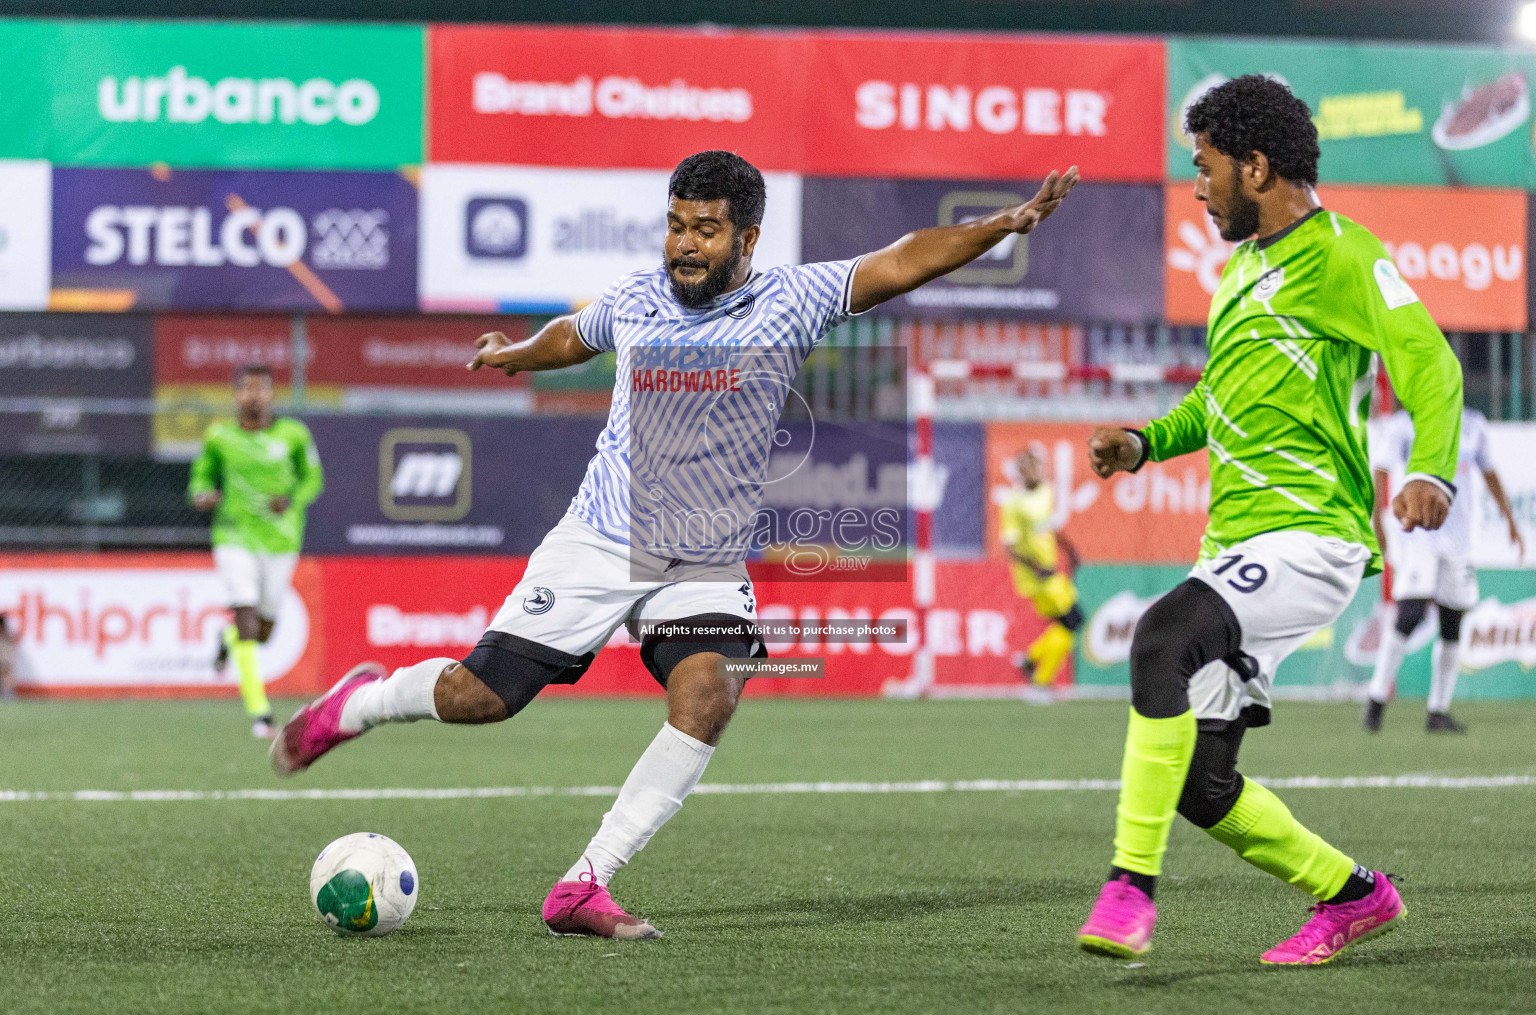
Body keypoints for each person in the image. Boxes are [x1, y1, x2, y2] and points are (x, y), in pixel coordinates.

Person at [272, 150, 1078, 939]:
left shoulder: (794, 299)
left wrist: (1007, 222)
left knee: (709, 692)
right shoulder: (635, 299)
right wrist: (516, 355)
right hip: (598, 537)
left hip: (702, 555)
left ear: (748, 241)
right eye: (676, 226)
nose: (686, 244)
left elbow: (903, 260)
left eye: (707, 231)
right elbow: (572, 335)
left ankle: (585, 884)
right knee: (478, 699)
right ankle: (359, 704)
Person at [1075, 76, 1462, 966]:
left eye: (1206, 168)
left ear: (1255, 167)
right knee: (1202, 786)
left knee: (1159, 640)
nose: (1199, 186)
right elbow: (1220, 402)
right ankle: (1354, 894)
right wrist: (1145, 441)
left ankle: (1130, 889)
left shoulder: (1344, 256)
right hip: (1239, 544)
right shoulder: (1242, 271)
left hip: (1311, 537)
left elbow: (1431, 364)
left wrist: (1433, 469)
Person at [1364, 402, 1524, 733]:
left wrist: (1509, 519)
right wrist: (1378, 519)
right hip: (1418, 537)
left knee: (1452, 624)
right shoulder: (1405, 424)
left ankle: (1438, 711)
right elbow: (1380, 470)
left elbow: (1489, 473)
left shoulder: (1473, 424)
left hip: (1459, 544)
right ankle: (1376, 701)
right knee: (1410, 616)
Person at [189, 364, 323, 738]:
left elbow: (314, 479)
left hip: (281, 541)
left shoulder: (293, 435)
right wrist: (202, 494)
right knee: (247, 617)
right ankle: (260, 714)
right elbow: (201, 476)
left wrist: (292, 499)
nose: (254, 395)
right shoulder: (219, 437)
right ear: (236, 395)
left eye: (261, 389)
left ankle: (227, 640)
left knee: (262, 631)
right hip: (234, 537)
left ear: (271, 394)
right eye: (246, 389)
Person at [999, 444, 1082, 687]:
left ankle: (1030, 660)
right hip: (1035, 576)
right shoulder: (1012, 503)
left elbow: (1049, 526)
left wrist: (1069, 549)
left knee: (1068, 623)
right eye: (1028, 466)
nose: (1035, 470)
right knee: (1072, 622)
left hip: (1051, 569)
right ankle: (1040, 679)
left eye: (1037, 465)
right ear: (1020, 471)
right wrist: (1036, 568)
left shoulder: (1046, 491)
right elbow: (1009, 547)